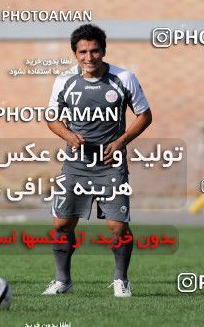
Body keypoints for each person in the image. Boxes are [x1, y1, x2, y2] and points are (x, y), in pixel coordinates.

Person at [43, 24, 152, 297]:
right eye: (82, 52)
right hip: (75, 164)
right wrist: (68, 135)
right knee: (61, 224)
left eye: (94, 51)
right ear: (74, 53)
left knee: (118, 226)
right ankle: (62, 281)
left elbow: (145, 115)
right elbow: (52, 119)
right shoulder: (64, 81)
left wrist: (120, 142)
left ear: (103, 51)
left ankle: (121, 280)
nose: (88, 57)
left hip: (110, 165)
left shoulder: (124, 78)